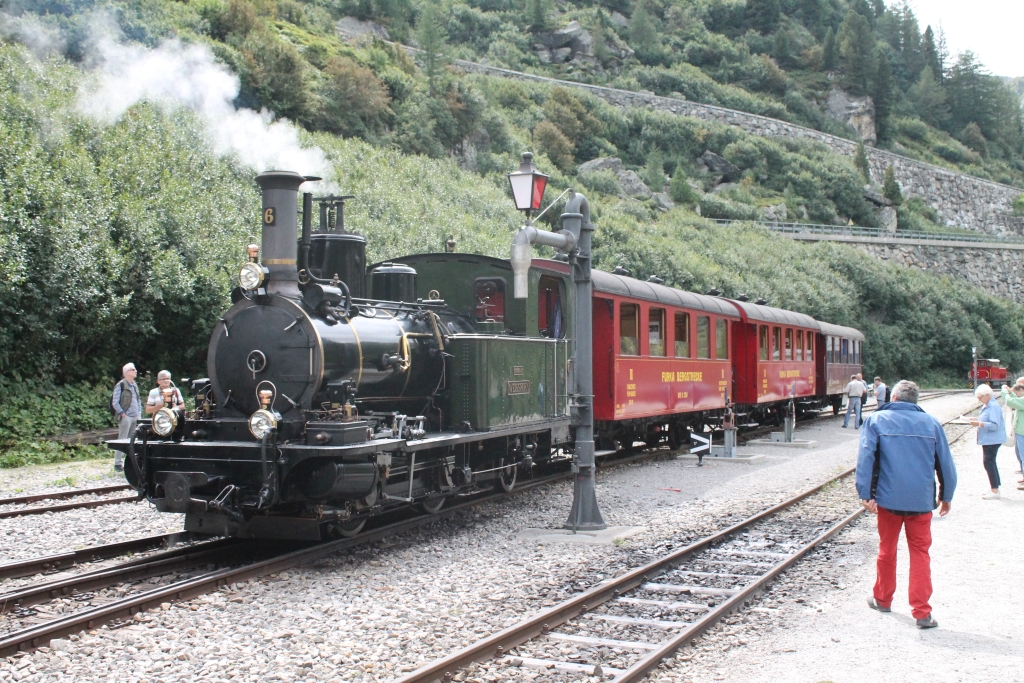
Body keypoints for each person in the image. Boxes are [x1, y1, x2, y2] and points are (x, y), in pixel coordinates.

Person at [856, 380, 956, 630]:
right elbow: (945, 464)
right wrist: (946, 495)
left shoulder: (876, 421)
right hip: (921, 502)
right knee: (920, 554)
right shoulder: (932, 423)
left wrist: (865, 493)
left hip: (888, 501)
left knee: (886, 550)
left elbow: (866, 458)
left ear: (895, 397)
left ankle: (882, 599)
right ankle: (922, 613)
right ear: (915, 401)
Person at [970, 383, 1006, 499]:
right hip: (989, 440)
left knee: (988, 463)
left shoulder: (993, 406)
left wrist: (979, 423)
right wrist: (977, 419)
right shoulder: (989, 405)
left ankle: (995, 491)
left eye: (980, 397)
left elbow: (995, 425)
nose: (979, 399)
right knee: (990, 462)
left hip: (992, 440)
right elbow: (988, 419)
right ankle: (994, 487)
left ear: (987, 395)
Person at [110, 363, 142, 472]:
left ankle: (131, 463)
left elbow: (138, 400)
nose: (136, 371)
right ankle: (118, 463)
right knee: (122, 440)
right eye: (133, 369)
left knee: (133, 441)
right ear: (127, 372)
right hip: (126, 417)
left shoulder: (134, 385)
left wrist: (139, 413)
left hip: (135, 417)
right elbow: (115, 402)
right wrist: (123, 414)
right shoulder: (121, 385)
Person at [1001, 382, 1024, 489]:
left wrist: (1004, 392)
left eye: (1018, 393)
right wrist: (1011, 392)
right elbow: (1018, 400)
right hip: (1020, 432)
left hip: (1022, 432)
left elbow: (1010, 402)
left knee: (1023, 457)